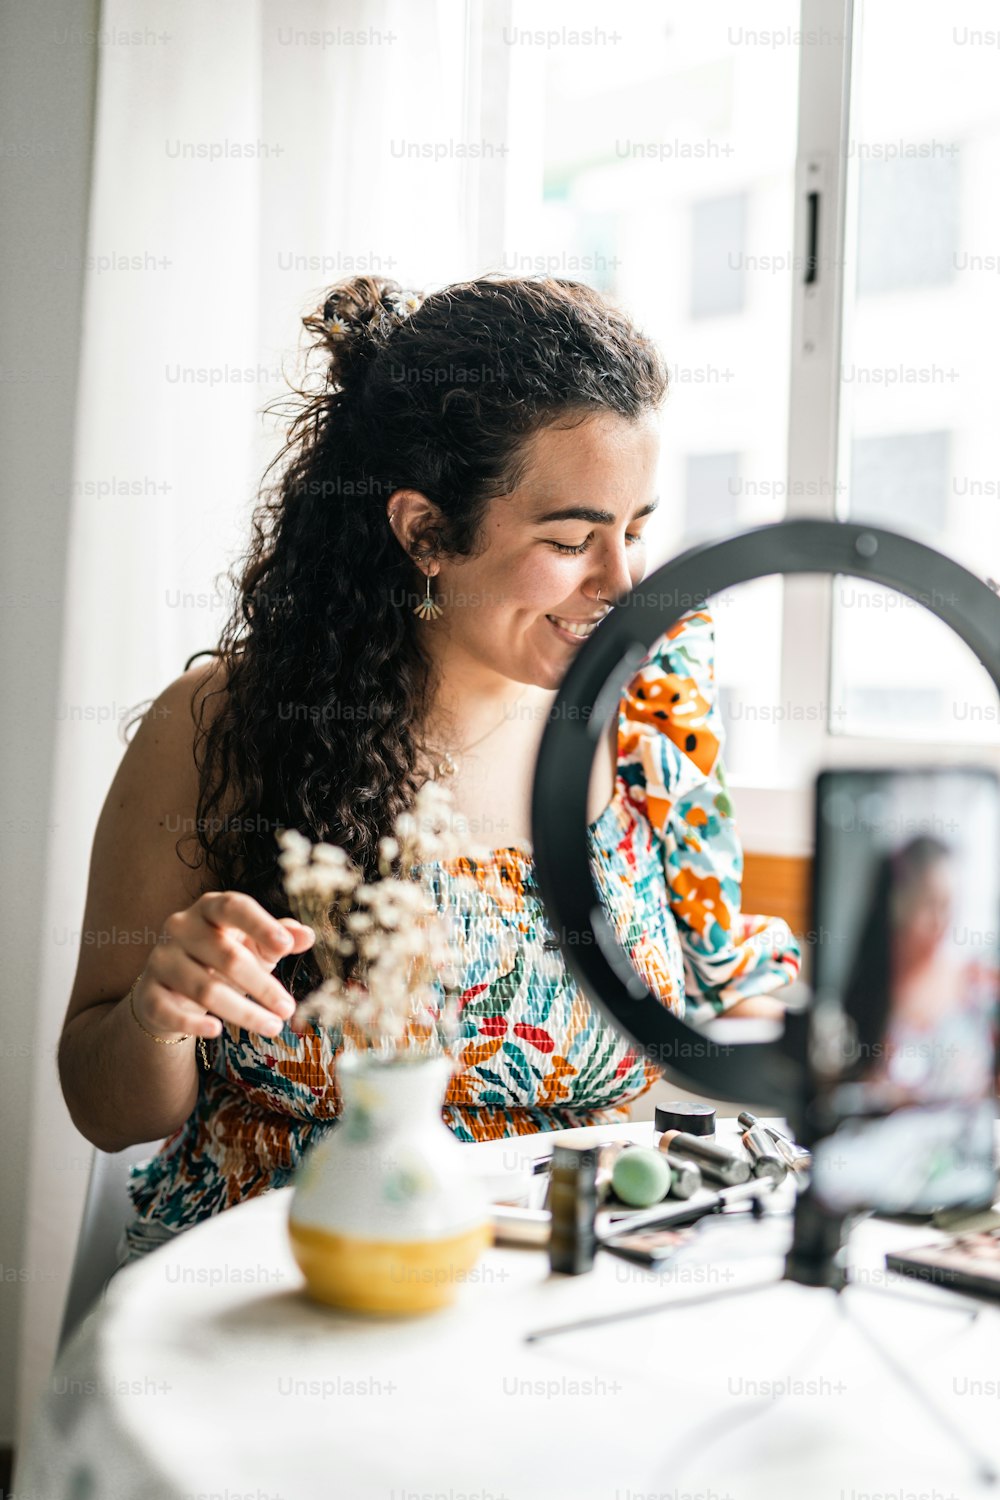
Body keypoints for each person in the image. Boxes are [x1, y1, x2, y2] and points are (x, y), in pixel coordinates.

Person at [57, 275, 801, 1261]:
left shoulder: (650, 717)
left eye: (635, 530)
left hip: (574, 1283)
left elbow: (714, 1006)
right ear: (424, 532)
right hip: (293, 1284)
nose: (621, 584)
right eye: (572, 539)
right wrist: (163, 1011)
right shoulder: (225, 727)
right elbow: (105, 1109)